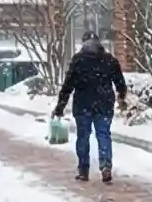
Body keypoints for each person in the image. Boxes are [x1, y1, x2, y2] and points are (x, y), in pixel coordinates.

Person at [53, 33, 126, 183]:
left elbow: (68, 85)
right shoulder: (109, 60)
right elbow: (120, 83)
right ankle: (106, 166)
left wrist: (60, 106)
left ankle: (83, 169)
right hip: (104, 104)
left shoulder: (78, 60)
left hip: (83, 105)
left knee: (83, 136)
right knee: (103, 135)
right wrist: (121, 96)